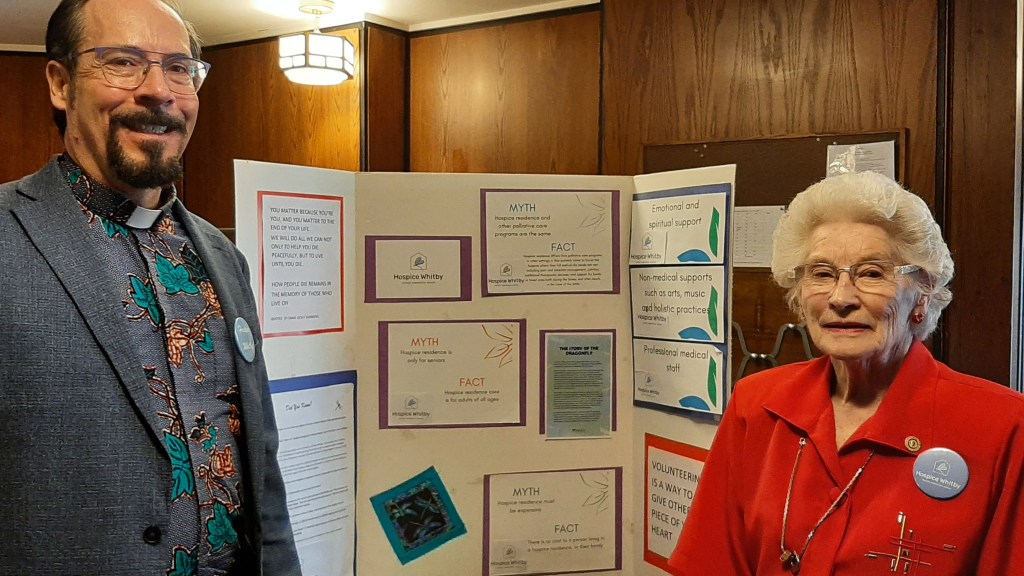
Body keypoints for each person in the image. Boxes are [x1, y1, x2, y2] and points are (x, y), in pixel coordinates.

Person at [0, 0, 302, 574]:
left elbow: (261, 468)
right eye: (123, 62)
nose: (157, 91)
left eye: (179, 68)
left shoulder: (223, 258)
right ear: (61, 84)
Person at [668, 171, 1024, 574]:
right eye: (821, 273)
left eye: (872, 273)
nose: (840, 298)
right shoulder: (757, 405)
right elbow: (710, 563)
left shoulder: (1003, 427)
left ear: (922, 293)